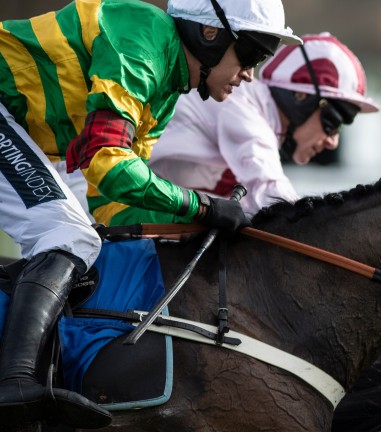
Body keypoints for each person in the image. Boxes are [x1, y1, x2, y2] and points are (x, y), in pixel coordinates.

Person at [0, 0, 299, 428]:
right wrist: (204, 206)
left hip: (16, 128)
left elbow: (113, 204)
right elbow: (109, 162)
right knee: (68, 237)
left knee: (86, 236)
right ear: (209, 34)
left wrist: (201, 227)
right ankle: (15, 382)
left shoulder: (168, 86)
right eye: (251, 53)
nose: (250, 74)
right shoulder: (142, 37)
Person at [149, 32, 380, 214]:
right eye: (333, 122)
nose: (333, 141)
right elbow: (278, 205)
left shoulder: (254, 115)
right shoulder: (239, 105)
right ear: (300, 98)